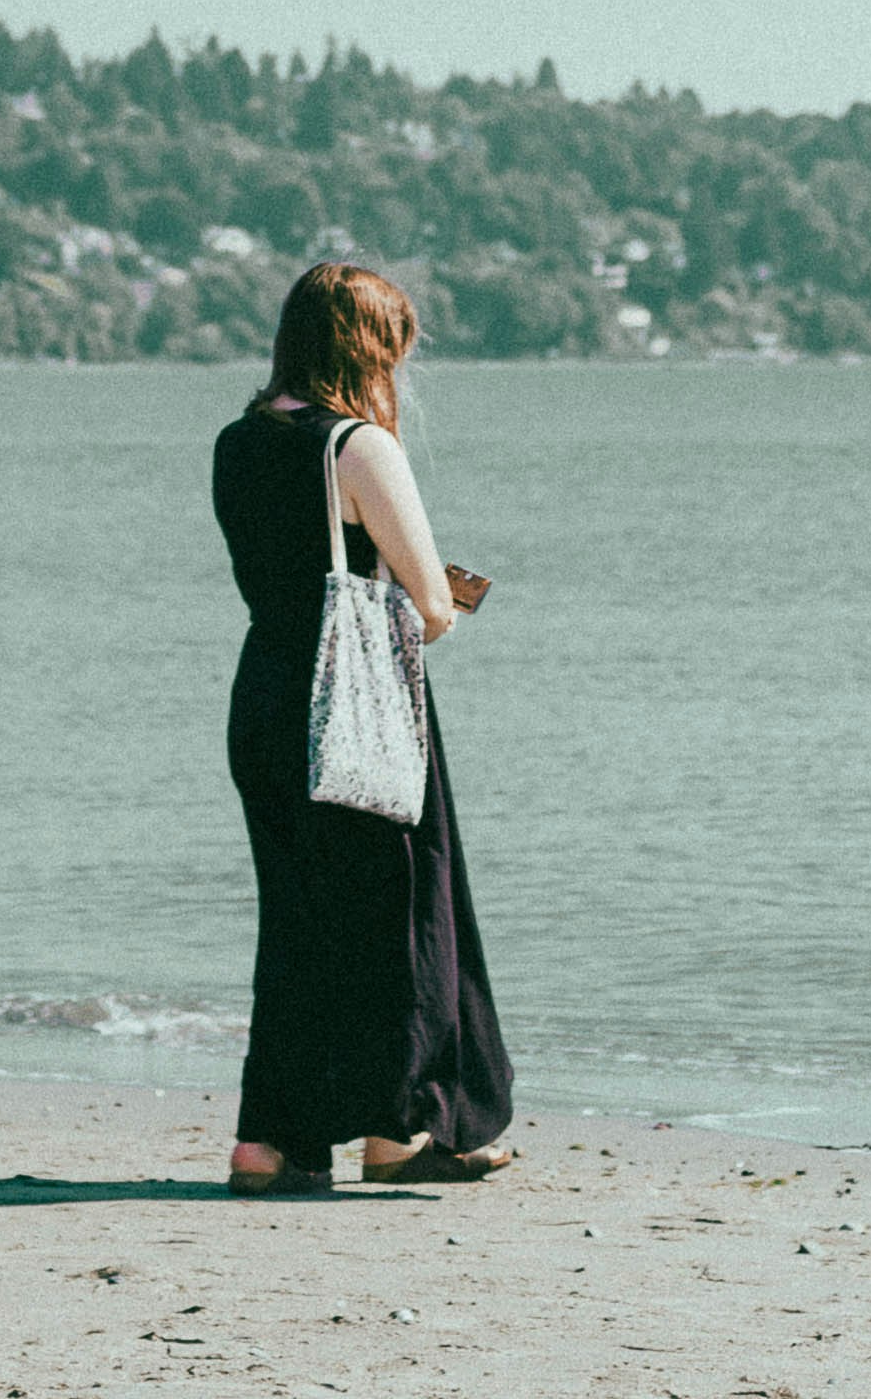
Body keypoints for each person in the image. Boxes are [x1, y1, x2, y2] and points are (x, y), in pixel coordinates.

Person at [209, 259, 515, 1189]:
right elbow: (424, 605)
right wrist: (449, 601)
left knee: (298, 924)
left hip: (266, 696)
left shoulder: (236, 440)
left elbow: (281, 572)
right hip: (354, 705)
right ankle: (398, 1133)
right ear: (369, 351)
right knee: (398, 915)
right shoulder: (359, 447)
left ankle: (271, 1143)